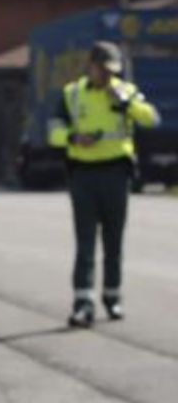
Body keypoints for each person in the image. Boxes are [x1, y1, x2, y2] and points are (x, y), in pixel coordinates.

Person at [49, 41, 160, 328]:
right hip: (83, 175)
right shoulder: (72, 93)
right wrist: (74, 138)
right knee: (85, 242)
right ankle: (83, 303)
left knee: (114, 241)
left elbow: (151, 119)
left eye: (113, 70)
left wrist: (125, 102)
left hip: (116, 174)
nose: (108, 75)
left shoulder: (126, 91)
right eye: (103, 69)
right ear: (91, 66)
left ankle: (112, 296)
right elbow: (53, 131)